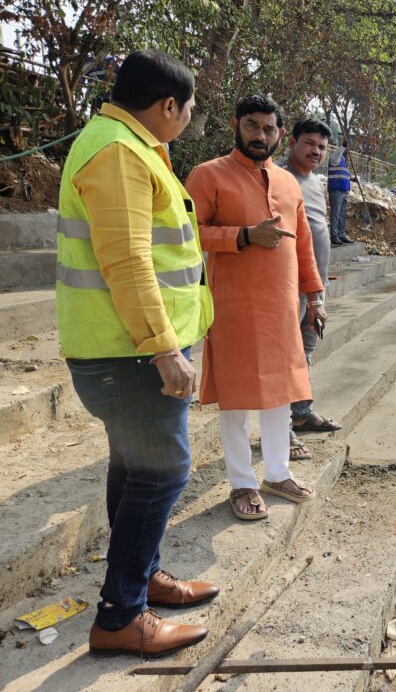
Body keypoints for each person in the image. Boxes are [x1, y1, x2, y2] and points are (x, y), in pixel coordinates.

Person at [57, 50, 217, 657]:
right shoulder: (119, 152)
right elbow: (126, 261)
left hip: (124, 349)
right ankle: (122, 615)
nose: (189, 120)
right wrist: (164, 349)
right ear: (167, 105)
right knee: (163, 471)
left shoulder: (126, 144)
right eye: (189, 110)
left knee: (134, 468)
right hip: (130, 353)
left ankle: (143, 580)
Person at [186, 94, 325, 521]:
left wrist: (314, 296)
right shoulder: (208, 175)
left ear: (280, 133)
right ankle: (242, 483)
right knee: (236, 397)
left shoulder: (288, 183)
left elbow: (303, 245)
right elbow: (187, 233)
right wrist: (242, 237)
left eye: (268, 128)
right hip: (232, 305)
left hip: (282, 307)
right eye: (252, 125)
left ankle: (278, 473)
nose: (260, 135)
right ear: (236, 125)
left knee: (280, 394)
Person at [277, 119, 341, 456]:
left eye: (322, 147)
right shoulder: (276, 176)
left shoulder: (314, 182)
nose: (316, 151)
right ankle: (281, 429)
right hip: (289, 284)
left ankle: (300, 414)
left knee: (307, 350)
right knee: (287, 356)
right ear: (292, 141)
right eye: (310, 143)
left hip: (316, 284)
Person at [327, 141, 353, 245]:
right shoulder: (335, 159)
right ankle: (334, 236)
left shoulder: (344, 162)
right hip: (336, 189)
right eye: (345, 151)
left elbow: (344, 175)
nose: (347, 153)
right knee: (336, 213)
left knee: (342, 213)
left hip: (343, 190)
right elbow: (337, 153)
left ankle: (341, 234)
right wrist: (343, 146)